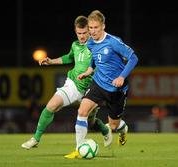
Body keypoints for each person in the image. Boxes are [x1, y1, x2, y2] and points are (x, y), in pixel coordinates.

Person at [21, 15, 112, 152]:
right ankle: (36, 138)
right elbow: (69, 57)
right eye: (78, 33)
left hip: (92, 88)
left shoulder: (97, 45)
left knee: (91, 123)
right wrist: (51, 61)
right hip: (74, 84)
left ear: (90, 31)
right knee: (51, 106)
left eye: (84, 33)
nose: (81, 36)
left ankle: (105, 130)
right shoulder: (75, 45)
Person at [65, 10, 138, 158]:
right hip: (98, 84)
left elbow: (133, 57)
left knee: (113, 125)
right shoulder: (90, 42)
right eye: (90, 28)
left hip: (116, 89)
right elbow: (94, 58)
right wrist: (89, 70)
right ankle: (78, 149)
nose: (92, 31)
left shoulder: (113, 42)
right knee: (82, 111)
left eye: (95, 28)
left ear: (103, 26)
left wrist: (122, 77)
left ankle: (122, 128)